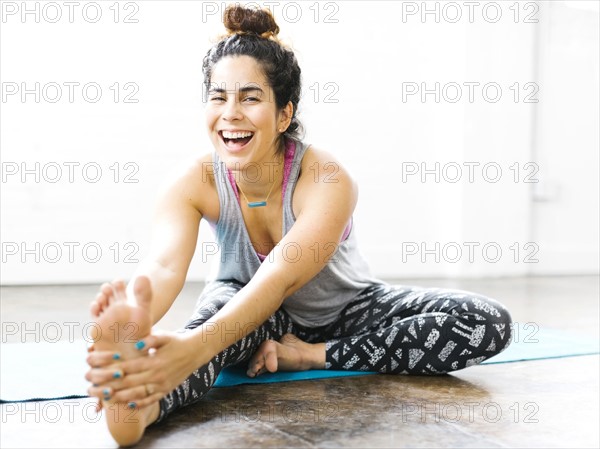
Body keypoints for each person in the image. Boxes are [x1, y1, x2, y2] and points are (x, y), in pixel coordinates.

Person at [85, 5, 513, 446]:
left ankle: (311, 356)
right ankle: (141, 405)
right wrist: (138, 318)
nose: (230, 112)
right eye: (218, 96)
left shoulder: (325, 177)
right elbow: (163, 265)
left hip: (346, 312)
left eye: (250, 97)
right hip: (244, 307)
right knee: (204, 338)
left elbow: (279, 277)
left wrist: (204, 346)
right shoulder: (193, 179)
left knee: (486, 321)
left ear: (284, 115)